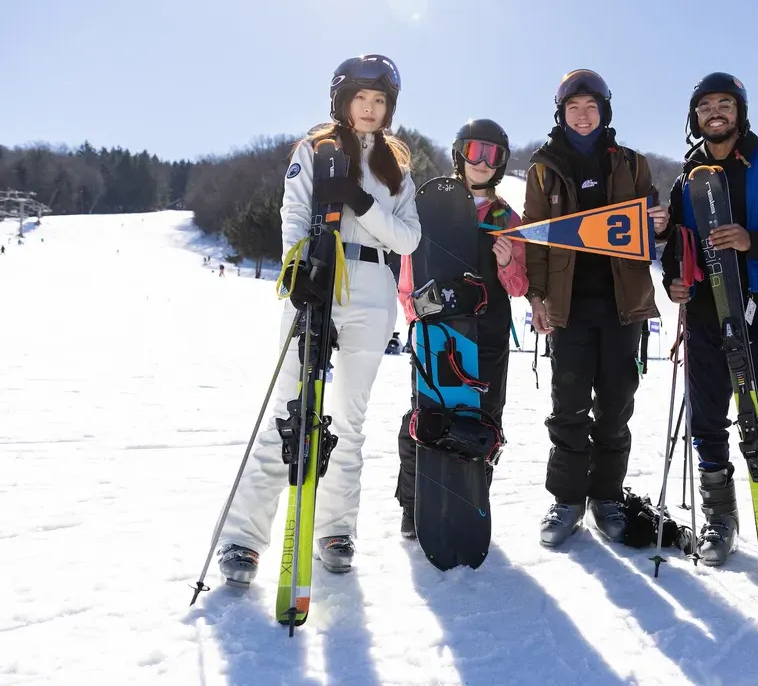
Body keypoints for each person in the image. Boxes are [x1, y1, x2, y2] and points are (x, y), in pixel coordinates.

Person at [216, 54, 420, 586]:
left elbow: (407, 239)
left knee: (348, 422)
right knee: (290, 410)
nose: (370, 109)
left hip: (373, 294)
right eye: (361, 98)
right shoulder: (315, 150)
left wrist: (360, 201)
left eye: (379, 101)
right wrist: (297, 277)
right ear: (342, 100)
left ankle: (335, 529)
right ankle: (243, 538)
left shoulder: (397, 169)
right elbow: (292, 213)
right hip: (317, 284)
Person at [661, 72, 758, 571]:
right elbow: (676, 247)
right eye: (706, 106)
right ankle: (720, 518)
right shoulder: (688, 176)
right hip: (705, 309)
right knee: (707, 417)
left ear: (740, 111)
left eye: (725, 103)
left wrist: (751, 241)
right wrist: (674, 283)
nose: (716, 112)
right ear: (695, 117)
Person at [524, 69, 670, 547]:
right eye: (573, 108)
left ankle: (605, 496)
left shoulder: (631, 163)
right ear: (561, 114)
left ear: (604, 111)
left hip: (621, 305)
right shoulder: (544, 169)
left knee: (615, 405)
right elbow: (536, 237)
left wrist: (659, 224)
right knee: (568, 406)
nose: (583, 116)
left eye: (591, 107)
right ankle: (567, 499)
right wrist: (536, 296)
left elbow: (648, 233)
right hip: (569, 306)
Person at [394, 118, 528, 538]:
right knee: (427, 414)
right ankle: (415, 505)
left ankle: (472, 499)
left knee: (483, 417)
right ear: (460, 154)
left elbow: (520, 286)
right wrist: (414, 315)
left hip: (488, 332)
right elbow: (409, 272)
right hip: (439, 329)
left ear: (502, 162)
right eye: (474, 151)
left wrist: (507, 263)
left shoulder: (508, 217)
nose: (482, 162)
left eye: (492, 155)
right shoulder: (432, 206)